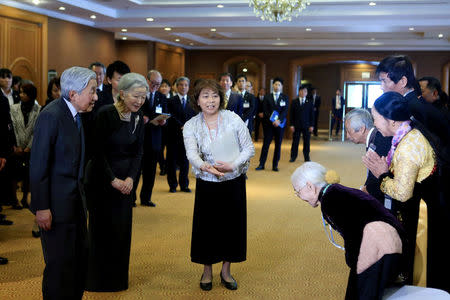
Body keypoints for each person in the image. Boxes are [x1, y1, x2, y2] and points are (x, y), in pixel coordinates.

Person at [363, 92, 449, 291]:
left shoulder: (408, 147)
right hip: (426, 205)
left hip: (423, 215)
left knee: (420, 266)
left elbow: (402, 193)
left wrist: (382, 175)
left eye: (375, 119)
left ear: (391, 121)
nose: (374, 124)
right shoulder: (408, 133)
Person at [30, 66, 98, 300]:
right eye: (92, 91)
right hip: (55, 208)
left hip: (75, 203)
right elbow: (39, 165)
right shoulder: (51, 116)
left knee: (77, 261)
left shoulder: (76, 115)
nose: (96, 97)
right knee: (59, 267)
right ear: (73, 94)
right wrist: (41, 207)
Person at [291, 161, 405, 300]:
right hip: (387, 240)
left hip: (383, 246)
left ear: (310, 186)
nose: (298, 195)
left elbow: (353, 235)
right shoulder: (334, 191)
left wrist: (353, 263)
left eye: (298, 191)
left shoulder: (330, 200)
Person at [183, 79, 254, 291]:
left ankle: (226, 270)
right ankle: (207, 271)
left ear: (220, 98)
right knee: (207, 228)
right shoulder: (191, 125)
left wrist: (233, 164)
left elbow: (248, 148)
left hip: (233, 181)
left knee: (231, 226)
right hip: (207, 183)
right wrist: (205, 166)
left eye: (214, 95)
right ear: (197, 100)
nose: (211, 100)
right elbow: (191, 154)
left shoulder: (232, 118)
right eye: (205, 96)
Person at [85, 73, 146, 292]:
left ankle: (117, 281)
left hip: (126, 183)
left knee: (121, 232)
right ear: (122, 94)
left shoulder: (138, 117)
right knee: (102, 232)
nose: (139, 101)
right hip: (103, 180)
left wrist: (130, 178)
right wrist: (113, 180)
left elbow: (138, 152)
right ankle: (97, 281)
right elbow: (97, 151)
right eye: (135, 96)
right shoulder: (106, 114)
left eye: (143, 97)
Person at [344, 108, 392, 204]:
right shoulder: (375, 138)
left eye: (349, 131)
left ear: (361, 129)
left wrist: (366, 191)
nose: (347, 136)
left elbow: (381, 177)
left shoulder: (380, 141)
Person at [10, 83, 40, 209]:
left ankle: (25, 198)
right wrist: (16, 146)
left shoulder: (38, 109)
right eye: (20, 92)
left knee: (28, 174)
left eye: (24, 93)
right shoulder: (13, 108)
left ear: (31, 95)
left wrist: (29, 146)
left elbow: (36, 130)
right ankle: (14, 199)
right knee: (14, 174)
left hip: (30, 149)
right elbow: (13, 128)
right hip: (16, 148)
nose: (21, 95)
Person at [139, 70, 167, 207]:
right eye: (153, 83)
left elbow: (165, 113)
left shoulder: (161, 97)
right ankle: (131, 199)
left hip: (155, 138)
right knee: (136, 171)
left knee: (150, 172)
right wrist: (140, 118)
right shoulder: (139, 94)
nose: (155, 86)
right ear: (147, 80)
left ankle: (146, 198)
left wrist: (164, 121)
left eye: (158, 84)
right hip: (140, 138)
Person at [166, 76, 196, 193]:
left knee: (185, 161)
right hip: (173, 134)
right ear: (177, 86)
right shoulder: (170, 100)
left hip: (187, 137)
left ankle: (184, 185)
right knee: (172, 162)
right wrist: (180, 125)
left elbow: (195, 117)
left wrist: (188, 127)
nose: (183, 87)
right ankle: (172, 185)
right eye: (181, 85)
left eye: (186, 85)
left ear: (188, 87)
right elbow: (169, 115)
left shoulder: (192, 101)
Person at [256, 77, 288, 171]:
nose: (277, 86)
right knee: (266, 144)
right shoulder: (267, 97)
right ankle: (261, 164)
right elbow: (265, 110)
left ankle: (275, 165)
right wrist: (273, 120)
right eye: (275, 84)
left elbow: (285, 111)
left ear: (281, 86)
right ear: (272, 85)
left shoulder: (285, 97)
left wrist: (278, 120)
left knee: (278, 145)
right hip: (269, 125)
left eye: (279, 85)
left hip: (279, 125)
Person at [289, 85, 314, 163]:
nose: (303, 92)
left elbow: (312, 115)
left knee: (307, 142)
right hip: (296, 125)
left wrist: (312, 125)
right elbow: (291, 114)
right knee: (295, 142)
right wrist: (291, 124)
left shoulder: (309, 102)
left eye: (305, 91)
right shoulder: (294, 101)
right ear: (299, 92)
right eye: (301, 91)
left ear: (306, 93)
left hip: (307, 126)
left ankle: (306, 157)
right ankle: (293, 156)